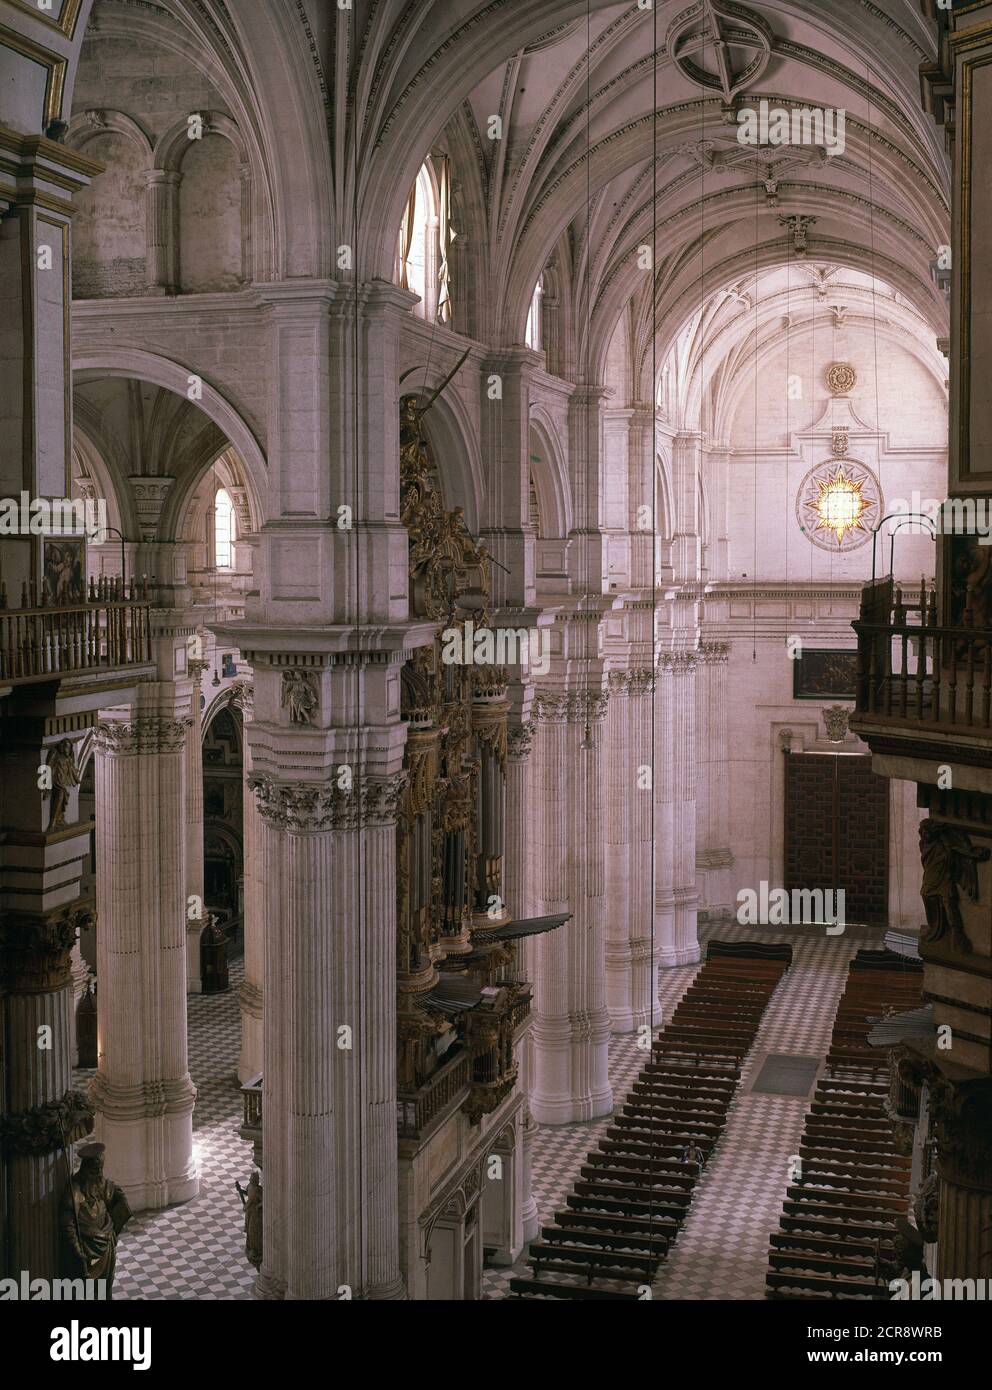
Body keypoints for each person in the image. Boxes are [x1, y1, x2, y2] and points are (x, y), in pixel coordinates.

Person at [60, 1142, 132, 1297]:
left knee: (105, 1288)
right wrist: (77, 1250)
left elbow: (115, 1197)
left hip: (105, 1245)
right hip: (86, 1250)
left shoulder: (100, 1184)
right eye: (95, 1171)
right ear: (86, 1170)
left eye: (100, 1170)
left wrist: (114, 1224)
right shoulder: (74, 1193)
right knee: (87, 1292)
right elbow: (69, 1226)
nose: (99, 1175)